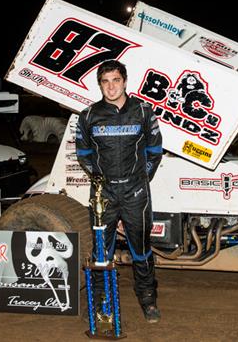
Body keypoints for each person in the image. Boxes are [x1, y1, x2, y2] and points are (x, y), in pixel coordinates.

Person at [76, 60, 163, 323]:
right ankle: (103, 302)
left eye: (116, 80)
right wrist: (100, 180)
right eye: (105, 81)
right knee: (102, 252)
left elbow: (155, 150)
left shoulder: (144, 111)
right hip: (104, 195)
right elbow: (83, 154)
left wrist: (140, 178)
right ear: (100, 84)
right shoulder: (88, 115)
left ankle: (148, 300)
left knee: (141, 249)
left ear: (125, 81)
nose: (111, 86)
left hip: (136, 193)